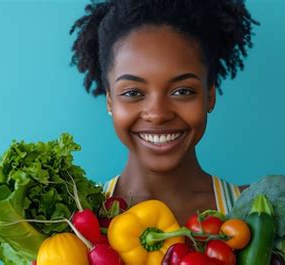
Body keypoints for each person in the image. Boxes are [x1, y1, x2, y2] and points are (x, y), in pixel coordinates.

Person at [70, 0, 258, 225]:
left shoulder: (256, 212)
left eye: (182, 91)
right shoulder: (77, 218)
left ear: (210, 95)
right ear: (110, 100)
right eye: (132, 93)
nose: (158, 114)